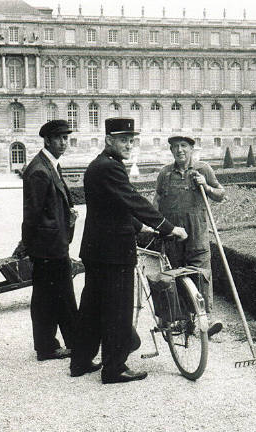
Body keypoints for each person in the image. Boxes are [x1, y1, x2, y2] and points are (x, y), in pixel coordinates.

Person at [71, 117, 187, 384]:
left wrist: (141, 228)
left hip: (97, 249)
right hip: (113, 253)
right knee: (117, 310)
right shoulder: (110, 168)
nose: (129, 144)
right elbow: (133, 200)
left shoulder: (100, 165)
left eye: (131, 140)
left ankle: (80, 361)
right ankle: (114, 368)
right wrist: (168, 227)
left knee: (92, 308)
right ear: (109, 140)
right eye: (123, 139)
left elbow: (116, 206)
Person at [154, 136, 225, 338]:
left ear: (192, 148)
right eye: (175, 147)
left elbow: (220, 194)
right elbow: (158, 199)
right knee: (176, 275)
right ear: (171, 151)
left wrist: (207, 186)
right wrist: (154, 223)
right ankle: (185, 321)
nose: (180, 150)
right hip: (173, 234)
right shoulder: (165, 173)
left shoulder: (203, 169)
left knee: (201, 274)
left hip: (197, 232)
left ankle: (206, 320)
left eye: (183, 146)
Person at [21, 119, 79, 362]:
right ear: (47, 140)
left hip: (53, 244)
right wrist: (30, 247)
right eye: (59, 138)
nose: (64, 143)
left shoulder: (50, 165)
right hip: (48, 247)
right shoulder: (39, 170)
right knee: (53, 298)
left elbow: (51, 205)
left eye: (66, 138)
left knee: (57, 297)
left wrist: (69, 214)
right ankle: (52, 347)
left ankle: (60, 345)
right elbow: (32, 214)